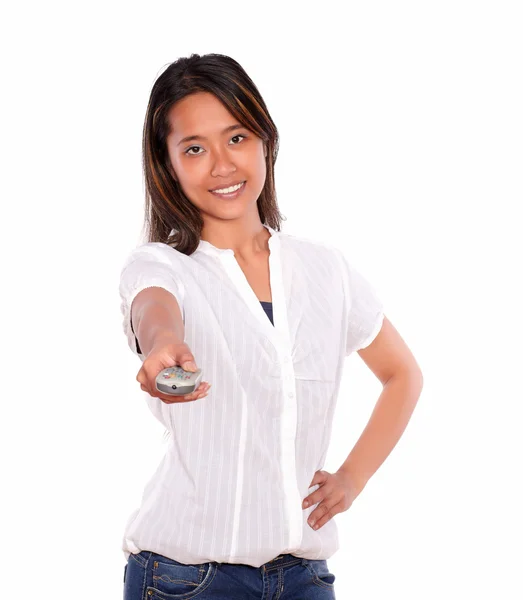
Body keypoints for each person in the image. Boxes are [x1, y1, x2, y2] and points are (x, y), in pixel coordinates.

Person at [119, 53, 423, 600]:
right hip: (185, 579)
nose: (221, 165)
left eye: (236, 138)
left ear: (265, 141)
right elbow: (153, 308)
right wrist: (164, 345)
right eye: (194, 148)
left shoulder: (326, 270)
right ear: (167, 165)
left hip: (303, 576)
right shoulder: (163, 267)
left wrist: (353, 478)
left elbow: (402, 375)